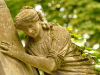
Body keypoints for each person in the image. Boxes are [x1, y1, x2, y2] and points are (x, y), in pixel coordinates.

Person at [0, 6, 100, 75]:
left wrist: (18, 54)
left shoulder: (58, 33)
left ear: (39, 20)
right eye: (25, 29)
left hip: (83, 72)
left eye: (31, 26)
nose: (30, 31)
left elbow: (51, 65)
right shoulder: (29, 45)